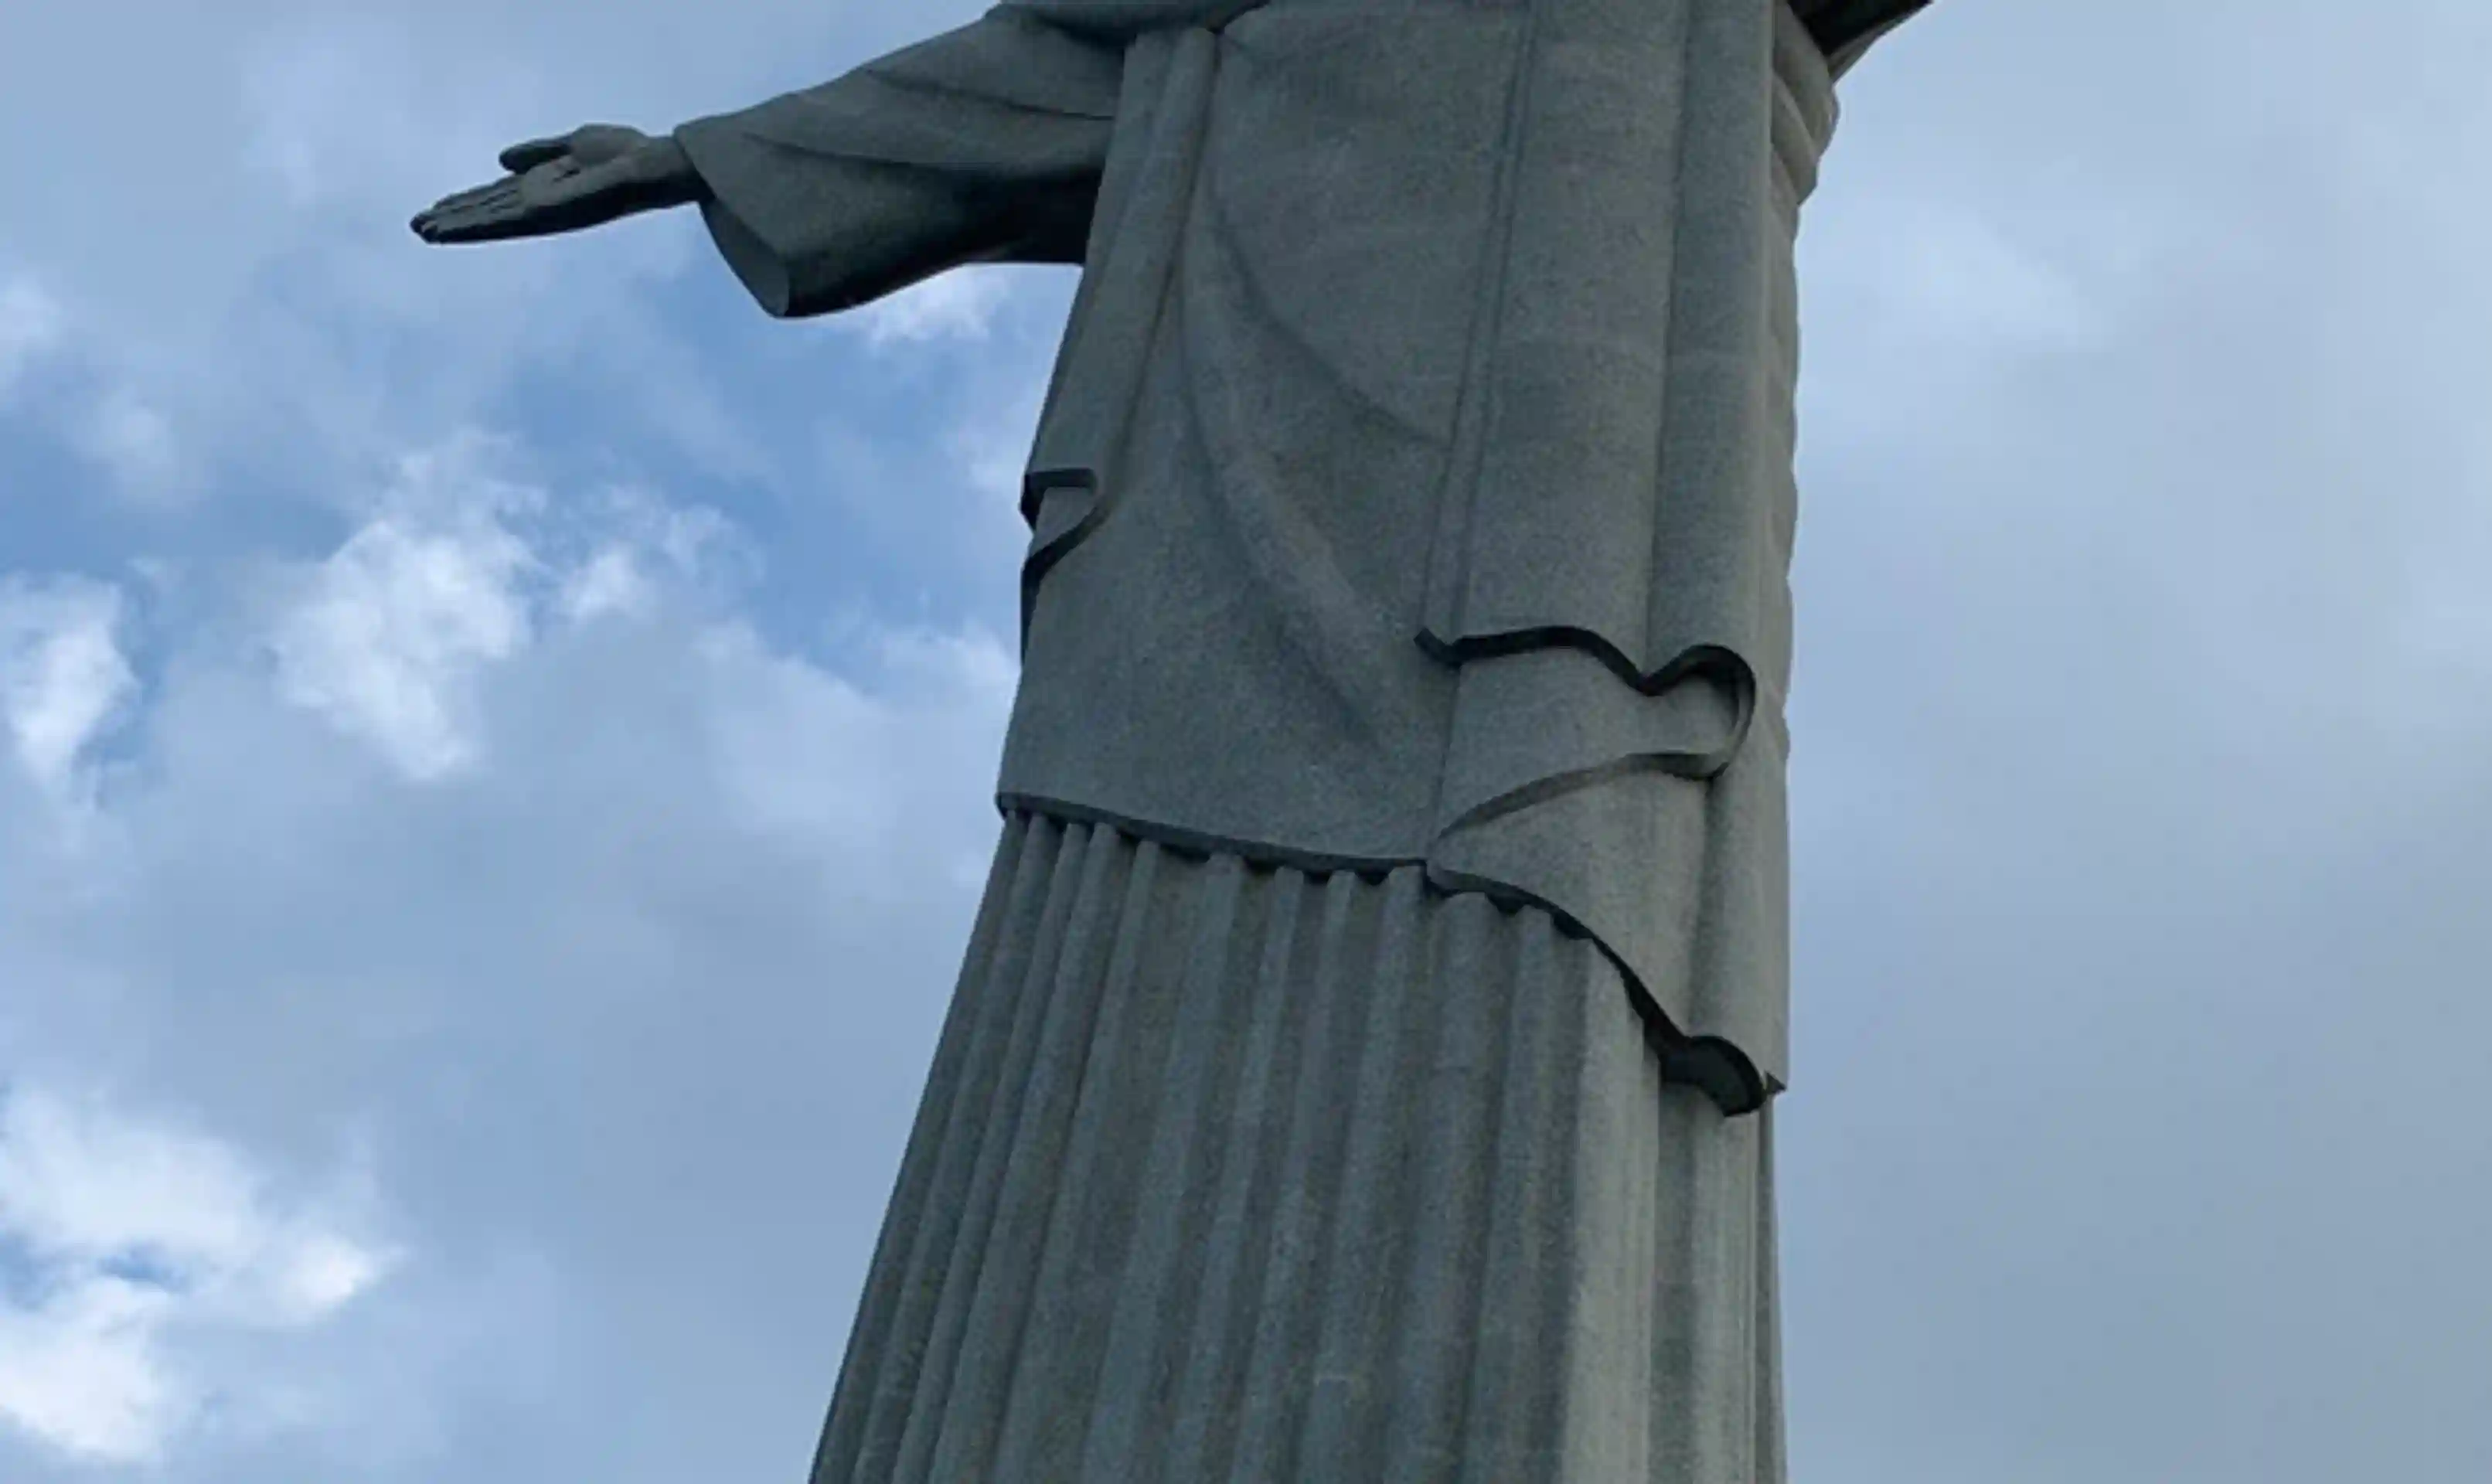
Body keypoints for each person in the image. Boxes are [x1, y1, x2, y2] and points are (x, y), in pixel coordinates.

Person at [414, 1, 1930, 1478]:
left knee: (1525, 903)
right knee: (1124, 930)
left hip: (1562, 481)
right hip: (1203, 462)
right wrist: (703, 154)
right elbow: (1067, 52)